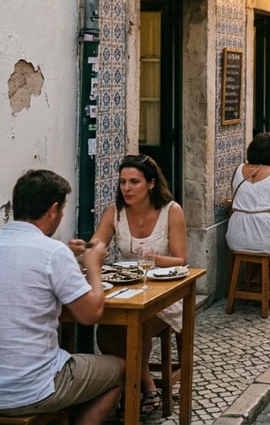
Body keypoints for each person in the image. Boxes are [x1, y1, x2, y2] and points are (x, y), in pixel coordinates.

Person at [0, 170, 123, 424]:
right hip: (28, 390)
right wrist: (94, 267)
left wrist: (64, 256)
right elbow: (90, 314)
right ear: (53, 209)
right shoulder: (52, 253)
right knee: (120, 370)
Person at [87, 154, 187, 413]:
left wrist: (154, 258)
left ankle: (136, 390)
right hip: (126, 289)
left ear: (151, 184)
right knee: (106, 331)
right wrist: (84, 248)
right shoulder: (115, 213)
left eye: (134, 182)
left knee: (137, 328)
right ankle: (140, 385)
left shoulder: (171, 211)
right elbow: (97, 244)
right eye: (122, 182)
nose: (127, 188)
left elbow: (180, 259)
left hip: (164, 292)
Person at [228, 132, 270, 286]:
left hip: (236, 237)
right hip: (263, 234)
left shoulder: (238, 169)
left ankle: (253, 279)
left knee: (257, 240)